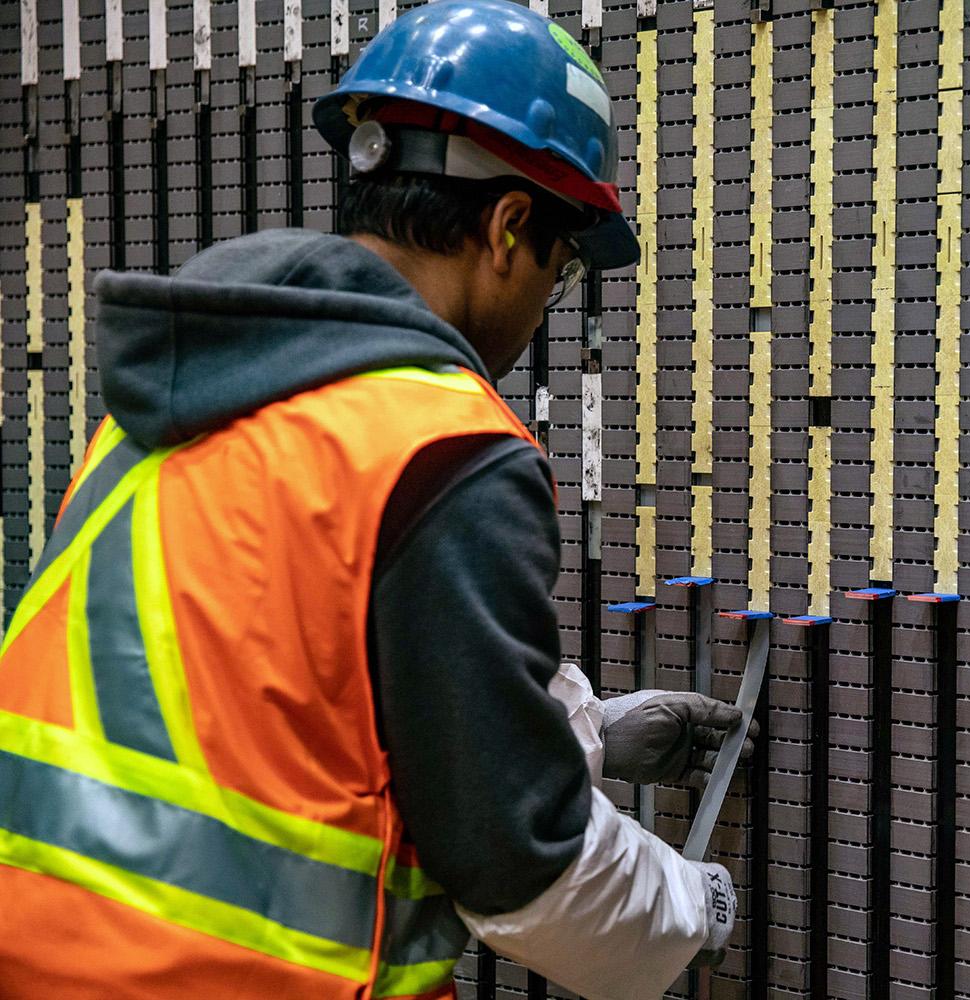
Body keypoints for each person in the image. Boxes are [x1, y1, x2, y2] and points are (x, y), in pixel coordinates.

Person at [0, 3, 749, 998]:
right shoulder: (444, 445)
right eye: (560, 273)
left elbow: (286, 676)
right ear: (509, 227)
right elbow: (524, 868)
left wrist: (581, 731)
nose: (541, 308)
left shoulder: (177, 407)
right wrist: (694, 903)